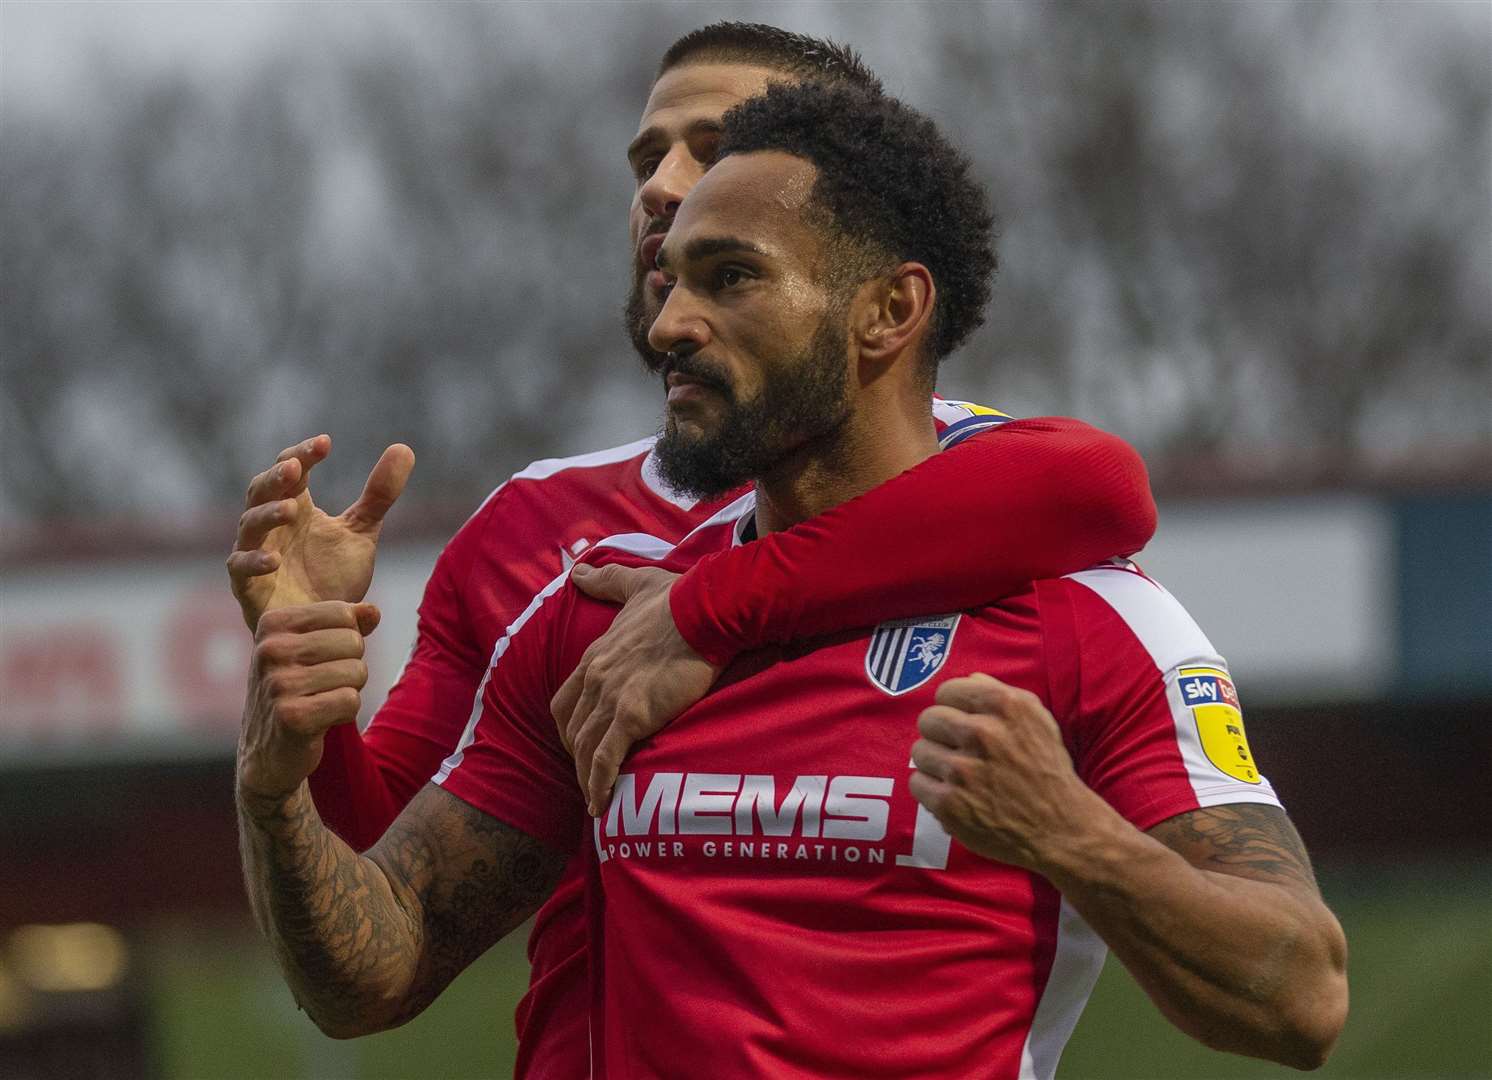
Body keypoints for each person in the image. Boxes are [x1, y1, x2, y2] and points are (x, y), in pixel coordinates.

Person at [236, 81, 1347, 1076]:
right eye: (672, 281)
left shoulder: (1092, 623)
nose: (670, 324)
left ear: (888, 312)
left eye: (732, 280)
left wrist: (1067, 834)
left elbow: (1300, 997)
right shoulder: (599, 624)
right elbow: (375, 970)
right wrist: (274, 785)